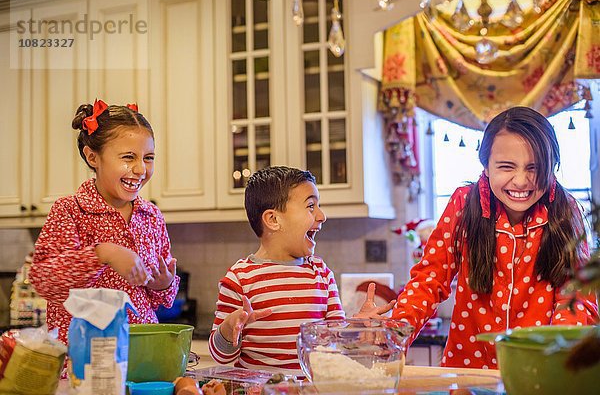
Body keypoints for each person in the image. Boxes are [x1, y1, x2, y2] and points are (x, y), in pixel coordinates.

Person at [392, 106, 599, 369]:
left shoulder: (567, 211)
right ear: (486, 165)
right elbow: (428, 280)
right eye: (506, 167)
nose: (522, 181)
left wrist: (558, 361)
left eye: (534, 167)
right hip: (467, 373)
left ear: (552, 165)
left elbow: (577, 299)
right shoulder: (463, 204)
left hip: (538, 372)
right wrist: (394, 334)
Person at [209, 166, 394, 376]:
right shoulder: (239, 278)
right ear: (273, 220)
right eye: (311, 206)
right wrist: (228, 327)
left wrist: (357, 325)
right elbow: (221, 356)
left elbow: (335, 344)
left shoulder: (321, 274)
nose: (322, 215)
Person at [30, 99, 180, 345]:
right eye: (128, 157)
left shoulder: (151, 216)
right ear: (92, 157)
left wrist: (163, 285)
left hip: (141, 354)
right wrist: (103, 253)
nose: (141, 169)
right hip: (85, 361)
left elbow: (155, 300)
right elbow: (45, 281)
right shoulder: (71, 210)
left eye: (149, 157)